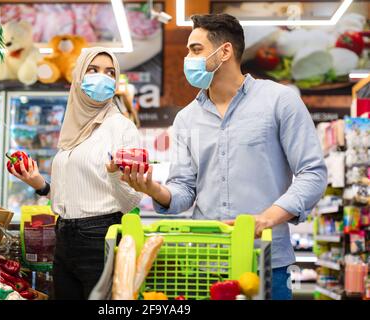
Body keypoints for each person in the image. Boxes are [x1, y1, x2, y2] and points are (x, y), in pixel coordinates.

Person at [121, 14, 327, 300]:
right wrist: (155, 189)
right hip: (206, 261)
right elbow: (184, 189)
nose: (187, 58)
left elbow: (313, 173)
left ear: (225, 51)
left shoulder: (280, 101)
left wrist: (265, 219)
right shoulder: (186, 119)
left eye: (195, 49)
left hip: (267, 261)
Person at [9, 47, 142, 300]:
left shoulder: (122, 128)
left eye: (109, 72)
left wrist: (114, 174)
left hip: (99, 235)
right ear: (79, 76)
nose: (101, 77)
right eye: (93, 70)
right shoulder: (72, 127)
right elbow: (74, 193)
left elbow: (131, 200)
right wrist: (40, 185)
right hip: (63, 234)